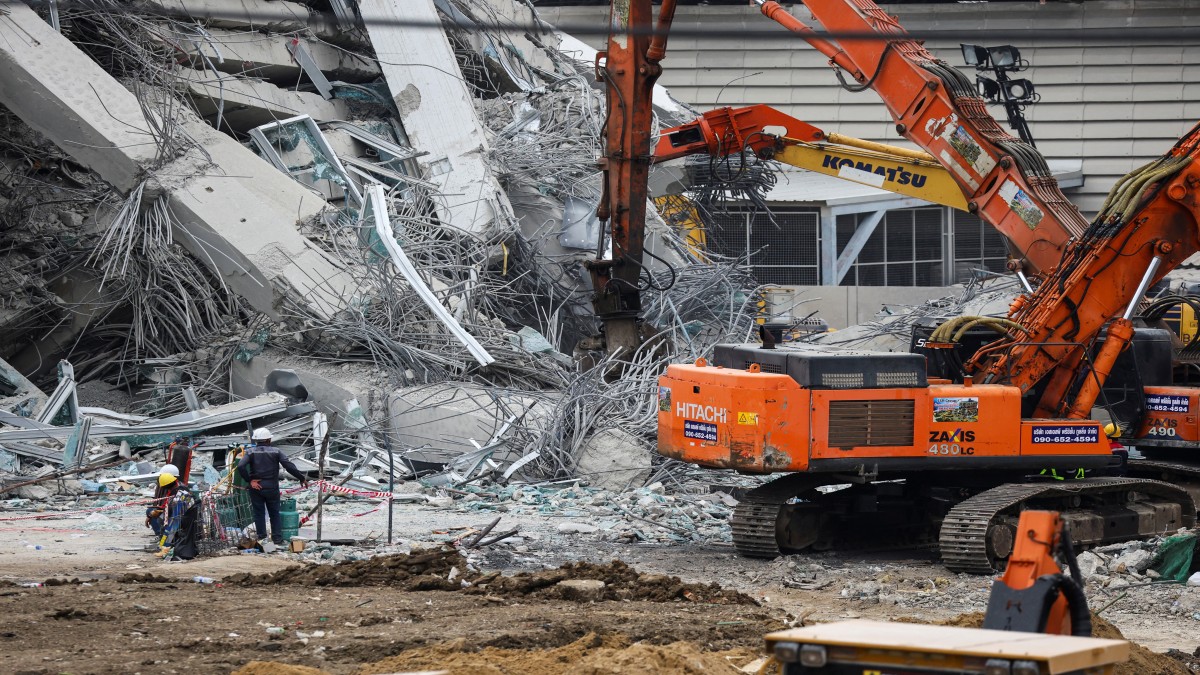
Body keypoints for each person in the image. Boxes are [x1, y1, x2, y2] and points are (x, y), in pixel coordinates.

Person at [236, 428, 308, 546]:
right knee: (274, 513)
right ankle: (277, 540)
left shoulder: (250, 452)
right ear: (269, 439)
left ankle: (262, 539)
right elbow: (289, 466)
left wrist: (250, 481)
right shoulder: (276, 451)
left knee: (258, 513)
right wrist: (301, 478)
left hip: (256, 487)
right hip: (271, 487)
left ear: (256, 440)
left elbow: (241, 466)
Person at [145, 465, 181, 538]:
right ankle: (161, 535)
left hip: (176, 515)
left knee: (159, 517)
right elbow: (164, 503)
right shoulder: (170, 488)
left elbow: (171, 508)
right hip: (170, 511)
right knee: (150, 511)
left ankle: (163, 536)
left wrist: (157, 512)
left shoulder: (177, 491)